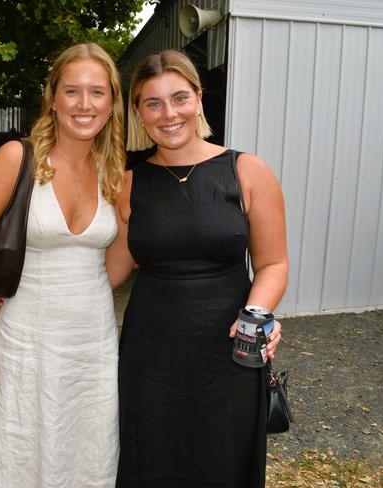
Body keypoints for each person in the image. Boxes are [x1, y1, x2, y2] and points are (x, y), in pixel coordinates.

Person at [106, 50, 289, 487]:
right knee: (151, 457)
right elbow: (108, 271)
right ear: (138, 112)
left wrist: (258, 314)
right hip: (150, 356)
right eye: (153, 103)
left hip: (229, 351)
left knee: (222, 460)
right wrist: (32, 288)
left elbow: (273, 263)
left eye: (179, 98)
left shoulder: (246, 170)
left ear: (199, 99)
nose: (168, 113)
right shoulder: (128, 185)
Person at [0, 42, 125, 487]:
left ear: (112, 102)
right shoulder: (16, 158)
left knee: (89, 456)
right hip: (28, 343)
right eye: (72, 91)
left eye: (97, 92)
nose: (85, 104)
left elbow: (121, 256)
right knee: (21, 454)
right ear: (52, 97)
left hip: (94, 348)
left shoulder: (113, 170)